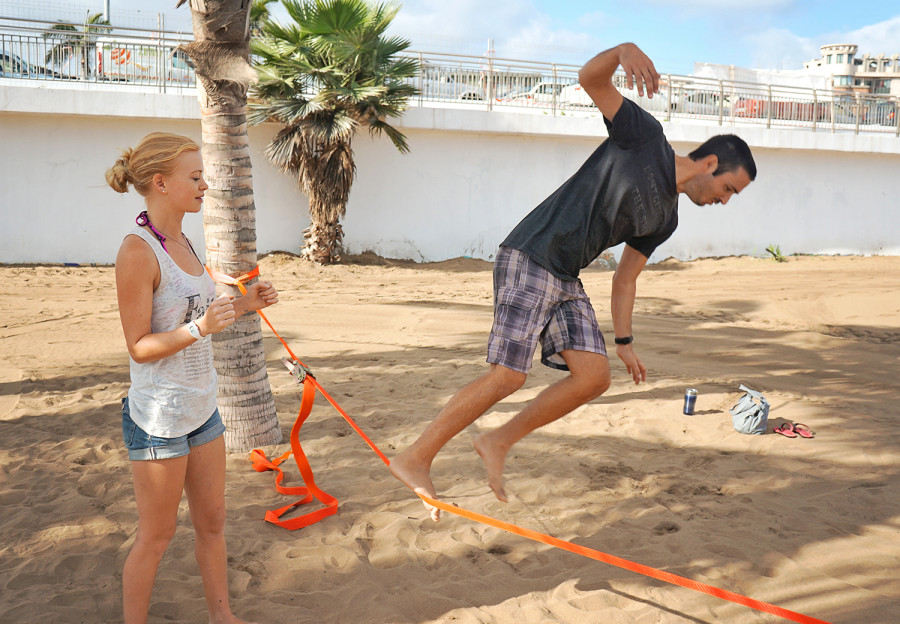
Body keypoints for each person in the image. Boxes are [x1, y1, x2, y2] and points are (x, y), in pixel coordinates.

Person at [390, 42, 757, 521]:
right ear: (711, 164)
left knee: (594, 376)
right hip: (532, 251)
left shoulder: (667, 220)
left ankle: (497, 441)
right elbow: (591, 79)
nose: (726, 201)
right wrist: (622, 52)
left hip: (564, 274)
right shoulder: (645, 138)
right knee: (509, 374)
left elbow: (625, 281)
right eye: (730, 189)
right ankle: (415, 458)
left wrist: (624, 341)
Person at [108, 132, 277, 623]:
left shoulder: (182, 238)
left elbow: (198, 308)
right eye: (196, 177)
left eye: (205, 176)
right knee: (156, 537)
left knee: (213, 523)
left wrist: (245, 304)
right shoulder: (138, 252)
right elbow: (139, 348)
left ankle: (222, 617)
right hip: (159, 419)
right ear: (160, 183)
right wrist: (200, 327)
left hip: (203, 410)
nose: (206, 185)